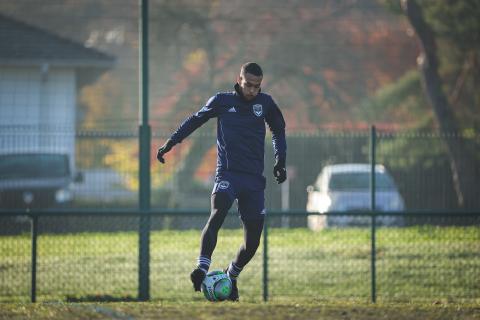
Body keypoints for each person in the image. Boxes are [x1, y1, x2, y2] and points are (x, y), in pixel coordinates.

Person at [157, 62, 287, 301]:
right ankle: (202, 268)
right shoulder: (222, 101)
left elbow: (279, 131)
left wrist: (281, 160)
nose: (252, 91)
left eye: (257, 86)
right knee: (218, 212)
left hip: (253, 180)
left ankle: (231, 274)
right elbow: (195, 120)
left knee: (253, 243)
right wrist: (171, 142)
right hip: (228, 174)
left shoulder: (265, 103)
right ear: (239, 80)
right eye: (248, 85)